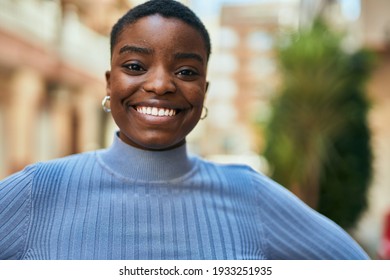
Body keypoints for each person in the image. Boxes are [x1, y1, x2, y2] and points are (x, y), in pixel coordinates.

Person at [0, 0, 369, 260]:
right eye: (134, 65)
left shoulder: (250, 196)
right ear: (110, 83)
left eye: (186, 72)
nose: (160, 84)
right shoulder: (39, 191)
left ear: (203, 92)